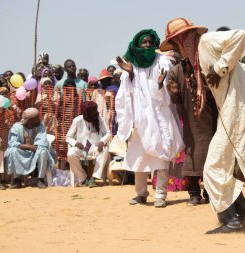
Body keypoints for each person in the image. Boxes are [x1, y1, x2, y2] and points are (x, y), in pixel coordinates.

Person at [160, 18, 245, 233]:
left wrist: (219, 68)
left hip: (238, 110)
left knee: (213, 169)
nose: (178, 47)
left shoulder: (207, 41)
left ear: (186, 37)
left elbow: (241, 34)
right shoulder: (199, 59)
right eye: (174, 45)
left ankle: (232, 221)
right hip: (236, 110)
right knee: (222, 168)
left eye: (177, 42)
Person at [115, 29, 183, 208]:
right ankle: (141, 193)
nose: (146, 46)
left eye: (149, 42)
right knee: (139, 159)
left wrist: (161, 85)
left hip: (160, 119)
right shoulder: (131, 66)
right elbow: (125, 97)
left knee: (160, 157)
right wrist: (130, 75)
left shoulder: (162, 62)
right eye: (143, 43)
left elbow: (167, 96)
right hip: (139, 121)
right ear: (137, 45)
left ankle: (160, 194)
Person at [167, 57, 218, 206]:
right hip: (190, 121)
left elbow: (217, 90)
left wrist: (202, 89)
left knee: (211, 155)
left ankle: (209, 193)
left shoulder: (207, 65)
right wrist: (175, 93)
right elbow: (175, 100)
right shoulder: (176, 71)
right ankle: (194, 194)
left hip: (210, 118)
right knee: (192, 155)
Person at [5, 108, 55, 189]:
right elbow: (12, 142)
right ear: (30, 120)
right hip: (22, 152)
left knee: (43, 151)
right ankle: (16, 180)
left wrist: (35, 147)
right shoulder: (16, 127)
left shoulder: (40, 126)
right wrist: (28, 146)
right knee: (13, 150)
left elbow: (43, 141)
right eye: (36, 118)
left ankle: (40, 179)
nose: (39, 119)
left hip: (36, 151)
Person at [66, 101, 111, 187]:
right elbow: (68, 137)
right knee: (71, 154)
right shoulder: (77, 120)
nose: (96, 112)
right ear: (87, 112)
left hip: (96, 148)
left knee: (104, 150)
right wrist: (76, 143)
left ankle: (93, 178)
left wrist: (102, 141)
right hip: (84, 149)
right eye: (93, 111)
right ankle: (84, 178)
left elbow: (108, 133)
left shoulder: (99, 119)